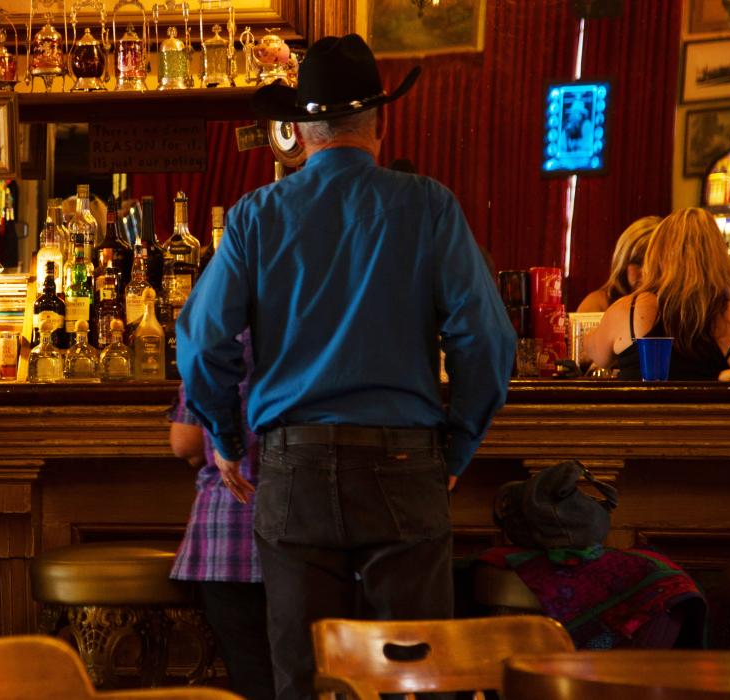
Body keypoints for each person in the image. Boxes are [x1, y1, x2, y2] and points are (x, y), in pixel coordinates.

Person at [176, 34, 515, 699]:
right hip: (403, 465)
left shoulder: (256, 216)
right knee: (415, 680)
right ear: (380, 123)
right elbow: (487, 342)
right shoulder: (429, 206)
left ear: (300, 129)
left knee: (304, 679)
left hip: (293, 467)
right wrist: (457, 447)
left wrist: (226, 439)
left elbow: (202, 342)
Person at [169, 332, 274, 700]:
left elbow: (185, 444)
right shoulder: (318, 337)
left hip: (228, 537)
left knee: (252, 679)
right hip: (313, 531)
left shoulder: (213, 344)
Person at [584, 208, 730, 381]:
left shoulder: (628, 309)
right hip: (706, 408)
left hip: (635, 408)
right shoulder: (729, 314)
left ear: (657, 254)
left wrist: (587, 337)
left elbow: (597, 356)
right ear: (718, 257)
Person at [576, 216, 661, 313]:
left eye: (654, 263)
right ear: (622, 264)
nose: (646, 271)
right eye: (638, 262)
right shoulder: (598, 304)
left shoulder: (674, 307)